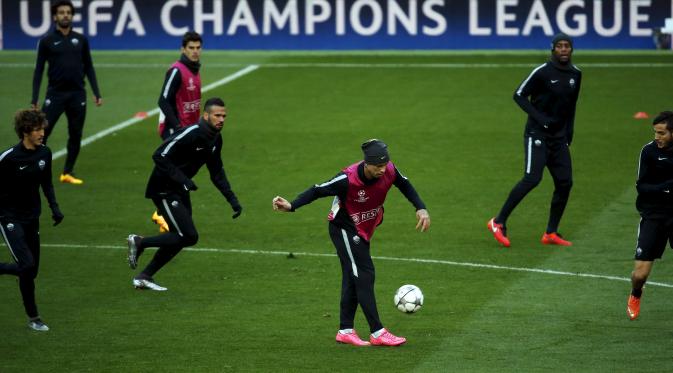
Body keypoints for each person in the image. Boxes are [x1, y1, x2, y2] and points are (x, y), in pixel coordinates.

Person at [272, 139, 431, 346]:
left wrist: (420, 207)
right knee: (365, 274)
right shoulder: (347, 179)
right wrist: (292, 205)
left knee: (352, 275)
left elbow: (404, 184)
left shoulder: (389, 169)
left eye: (385, 165)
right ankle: (377, 332)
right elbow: (318, 189)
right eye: (378, 166)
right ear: (367, 163)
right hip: (344, 229)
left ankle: (345, 330)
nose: (383, 170)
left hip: (363, 228)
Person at [126, 97, 242, 291]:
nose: (221, 119)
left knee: (184, 237)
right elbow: (159, 155)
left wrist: (232, 199)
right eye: (217, 115)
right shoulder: (191, 133)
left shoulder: (215, 138)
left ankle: (144, 276)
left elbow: (216, 172)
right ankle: (140, 242)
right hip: (163, 188)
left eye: (224, 116)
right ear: (206, 115)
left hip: (179, 189)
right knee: (187, 234)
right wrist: (184, 180)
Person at [487, 33, 582, 248]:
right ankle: (498, 221)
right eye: (560, 46)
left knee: (565, 182)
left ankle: (551, 232)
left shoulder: (576, 74)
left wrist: (569, 132)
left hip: (559, 138)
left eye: (567, 46)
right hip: (537, 135)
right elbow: (519, 95)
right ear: (553, 49)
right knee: (532, 178)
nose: (564, 49)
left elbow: (572, 105)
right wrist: (541, 119)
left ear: (572, 49)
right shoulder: (542, 72)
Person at [0, 109, 64, 331]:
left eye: (42, 128)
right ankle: (35, 318)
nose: (42, 133)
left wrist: (54, 207)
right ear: (26, 131)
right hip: (8, 217)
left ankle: (32, 318)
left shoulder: (44, 153)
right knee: (26, 266)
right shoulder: (8, 158)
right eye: (37, 129)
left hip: (31, 218)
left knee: (31, 271)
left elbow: (46, 183)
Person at [31, 0, 103, 185]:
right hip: (55, 94)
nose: (65, 15)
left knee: (76, 134)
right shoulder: (46, 41)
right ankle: (36, 168)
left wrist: (96, 92)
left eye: (68, 12)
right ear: (55, 16)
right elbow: (38, 70)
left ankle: (67, 172)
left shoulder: (80, 40)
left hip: (77, 94)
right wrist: (35, 97)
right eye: (61, 12)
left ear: (72, 15)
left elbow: (89, 66)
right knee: (43, 133)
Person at [152, 31, 203, 232]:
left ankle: (168, 212)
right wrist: (177, 127)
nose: (195, 51)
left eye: (198, 48)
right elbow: (163, 100)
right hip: (174, 129)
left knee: (180, 172)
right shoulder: (176, 70)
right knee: (174, 172)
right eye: (191, 48)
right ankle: (163, 213)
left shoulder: (195, 69)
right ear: (183, 49)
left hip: (188, 130)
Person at [627, 111, 673, 320]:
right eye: (656, 132)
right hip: (654, 215)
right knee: (640, 275)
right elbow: (641, 186)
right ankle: (636, 293)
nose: (657, 137)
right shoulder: (649, 152)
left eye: (662, 133)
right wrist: (666, 188)